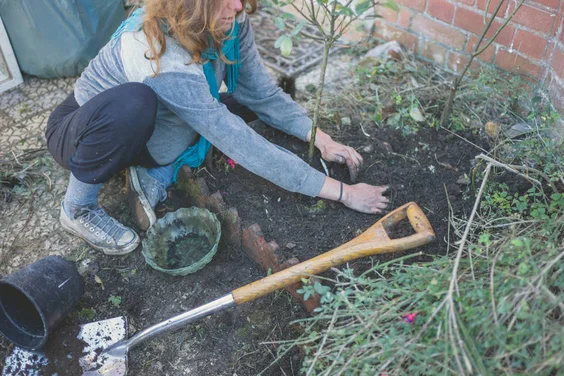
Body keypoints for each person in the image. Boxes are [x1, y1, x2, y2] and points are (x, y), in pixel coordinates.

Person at [45, 0, 389, 256]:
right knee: (139, 103)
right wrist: (342, 192)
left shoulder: (229, 21)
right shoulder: (153, 49)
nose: (238, 7)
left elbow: (260, 93)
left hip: (148, 124)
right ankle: (78, 207)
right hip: (81, 134)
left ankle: (154, 172)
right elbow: (238, 142)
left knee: (236, 106)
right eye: (223, 0)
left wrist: (320, 138)